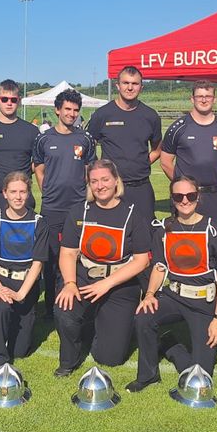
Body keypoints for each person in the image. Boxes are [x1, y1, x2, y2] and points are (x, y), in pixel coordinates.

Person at [126, 175, 217, 393]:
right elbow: (159, 266)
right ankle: (148, 374)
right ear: (172, 199)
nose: (185, 201)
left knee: (200, 376)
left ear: (198, 197)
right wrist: (150, 294)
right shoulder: (164, 228)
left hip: (203, 301)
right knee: (144, 315)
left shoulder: (212, 229)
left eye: (190, 196)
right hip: (173, 296)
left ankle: (171, 345)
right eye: (178, 196)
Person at [55, 159, 150, 376]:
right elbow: (68, 253)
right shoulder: (79, 211)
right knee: (64, 311)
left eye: (105, 179)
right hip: (85, 278)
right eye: (94, 181)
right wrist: (70, 284)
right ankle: (71, 356)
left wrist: (106, 284)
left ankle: (107, 327)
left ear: (116, 181)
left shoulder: (133, 214)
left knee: (110, 359)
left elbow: (141, 260)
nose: (100, 186)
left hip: (119, 284)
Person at [32, 88, 96, 317]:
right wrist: (48, 190)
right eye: (67, 109)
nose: (71, 114)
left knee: (78, 255)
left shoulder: (85, 138)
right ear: (57, 110)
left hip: (78, 208)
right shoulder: (44, 138)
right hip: (51, 208)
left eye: (75, 110)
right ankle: (51, 304)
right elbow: (38, 169)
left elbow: (91, 172)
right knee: (50, 257)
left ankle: (76, 298)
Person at [0, 171, 49, 375]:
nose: (18, 197)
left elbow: (38, 263)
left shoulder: (39, 222)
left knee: (21, 351)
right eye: (13, 192)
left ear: (28, 194)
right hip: (1, 279)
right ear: (4, 193)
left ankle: (13, 326)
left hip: (25, 284)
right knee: (2, 307)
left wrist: (21, 294)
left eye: (22, 192)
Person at [86, 66, 162, 222]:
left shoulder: (150, 116)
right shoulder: (102, 114)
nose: (130, 87)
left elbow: (157, 149)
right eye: (126, 83)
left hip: (141, 187)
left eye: (135, 84)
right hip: (111, 188)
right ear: (117, 85)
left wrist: (141, 163)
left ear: (141, 86)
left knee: (145, 235)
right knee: (110, 237)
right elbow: (88, 148)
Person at [160, 81, 217, 223]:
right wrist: (183, 186)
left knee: (214, 238)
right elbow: (165, 162)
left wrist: (214, 175)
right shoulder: (178, 127)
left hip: (214, 196)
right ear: (192, 99)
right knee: (185, 241)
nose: (204, 100)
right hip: (185, 198)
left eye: (208, 96)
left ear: (214, 99)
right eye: (199, 96)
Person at [0, 79, 39, 214]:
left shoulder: (31, 131)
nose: (9, 103)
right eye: (4, 99)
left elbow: (39, 164)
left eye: (13, 100)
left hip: (22, 198)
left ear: (19, 101)